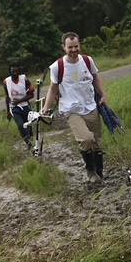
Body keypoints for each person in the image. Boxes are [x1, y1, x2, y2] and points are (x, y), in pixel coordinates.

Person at [41, 32, 108, 182]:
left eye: (76, 46)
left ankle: (99, 172)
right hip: (71, 109)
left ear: (79, 45)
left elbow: (95, 78)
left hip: (90, 106)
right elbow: (53, 88)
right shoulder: (57, 67)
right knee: (86, 139)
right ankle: (90, 171)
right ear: (63, 47)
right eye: (70, 47)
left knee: (97, 142)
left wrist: (103, 95)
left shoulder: (87, 60)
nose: (73, 50)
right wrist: (46, 107)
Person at [3, 64, 34, 152]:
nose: (15, 73)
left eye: (16, 71)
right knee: (20, 125)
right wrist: (8, 112)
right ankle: (28, 144)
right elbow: (7, 96)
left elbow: (32, 94)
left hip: (25, 106)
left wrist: (20, 100)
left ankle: (30, 137)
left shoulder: (25, 80)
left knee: (28, 126)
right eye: (13, 71)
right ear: (10, 72)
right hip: (14, 108)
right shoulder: (6, 82)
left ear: (19, 71)